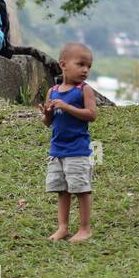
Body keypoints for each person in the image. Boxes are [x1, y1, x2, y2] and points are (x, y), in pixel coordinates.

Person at [39, 42, 97, 243]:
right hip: (57, 150)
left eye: (88, 66)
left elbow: (91, 115)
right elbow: (48, 123)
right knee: (62, 190)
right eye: (80, 64)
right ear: (63, 65)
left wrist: (66, 106)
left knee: (81, 189)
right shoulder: (53, 91)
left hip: (78, 150)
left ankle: (84, 228)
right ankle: (62, 227)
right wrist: (47, 115)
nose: (85, 70)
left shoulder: (84, 90)